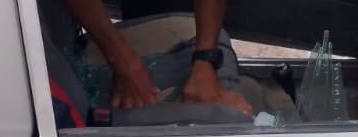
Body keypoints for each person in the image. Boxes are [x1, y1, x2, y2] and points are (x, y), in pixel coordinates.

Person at [43, 0, 253, 123]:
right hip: (57, 87)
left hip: (65, 48)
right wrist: (123, 62)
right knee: (229, 119)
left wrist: (205, 61)